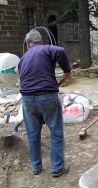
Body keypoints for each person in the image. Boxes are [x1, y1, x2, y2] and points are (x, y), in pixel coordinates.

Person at [18, 29, 72, 177]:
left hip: (27, 99)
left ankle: (36, 167)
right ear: (41, 42)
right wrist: (67, 70)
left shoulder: (23, 58)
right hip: (47, 96)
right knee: (56, 132)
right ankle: (57, 168)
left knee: (33, 135)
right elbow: (60, 51)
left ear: (28, 44)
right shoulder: (47, 48)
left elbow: (21, 76)